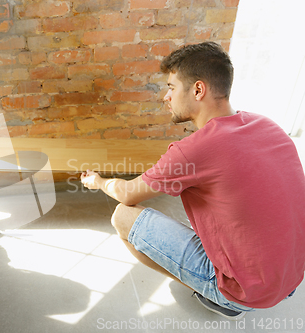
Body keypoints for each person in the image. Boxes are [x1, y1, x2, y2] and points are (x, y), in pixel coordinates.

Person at [81, 42, 305, 320]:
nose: (166, 96)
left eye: (172, 87)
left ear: (198, 90)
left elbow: (127, 194)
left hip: (248, 291)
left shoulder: (194, 150)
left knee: (123, 217)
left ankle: (225, 298)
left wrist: (98, 181)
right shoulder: (267, 125)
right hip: (291, 278)